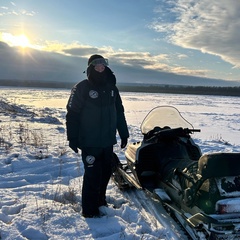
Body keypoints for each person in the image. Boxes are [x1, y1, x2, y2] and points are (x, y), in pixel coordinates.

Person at [66, 54, 129, 218]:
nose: (101, 67)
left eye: (103, 64)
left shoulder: (112, 89)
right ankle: (89, 211)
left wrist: (124, 133)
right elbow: (72, 114)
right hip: (90, 142)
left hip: (107, 141)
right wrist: (72, 137)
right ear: (90, 67)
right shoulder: (82, 87)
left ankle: (100, 203)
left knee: (105, 173)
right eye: (97, 65)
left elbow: (119, 112)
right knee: (92, 176)